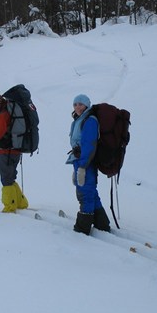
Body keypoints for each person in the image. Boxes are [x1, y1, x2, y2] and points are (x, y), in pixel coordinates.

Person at [66, 94, 111, 235]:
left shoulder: (89, 120)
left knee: (85, 193)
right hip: (79, 160)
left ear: (87, 105)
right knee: (91, 192)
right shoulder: (79, 120)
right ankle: (102, 224)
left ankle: (82, 228)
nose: (77, 107)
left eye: (80, 104)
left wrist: (82, 167)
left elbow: (89, 144)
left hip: (86, 162)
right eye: (75, 104)